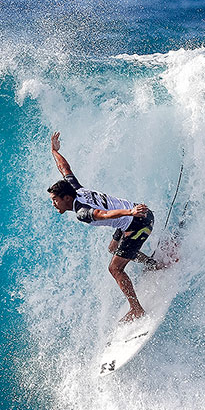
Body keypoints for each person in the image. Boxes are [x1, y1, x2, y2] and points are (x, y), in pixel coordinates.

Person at [47, 131, 164, 322]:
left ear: (66, 198)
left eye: (55, 200)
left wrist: (131, 212)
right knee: (113, 248)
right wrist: (54, 150)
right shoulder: (76, 188)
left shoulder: (82, 212)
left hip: (139, 220)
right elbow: (64, 167)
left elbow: (104, 214)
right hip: (136, 216)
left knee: (115, 269)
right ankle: (153, 265)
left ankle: (137, 309)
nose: (54, 204)